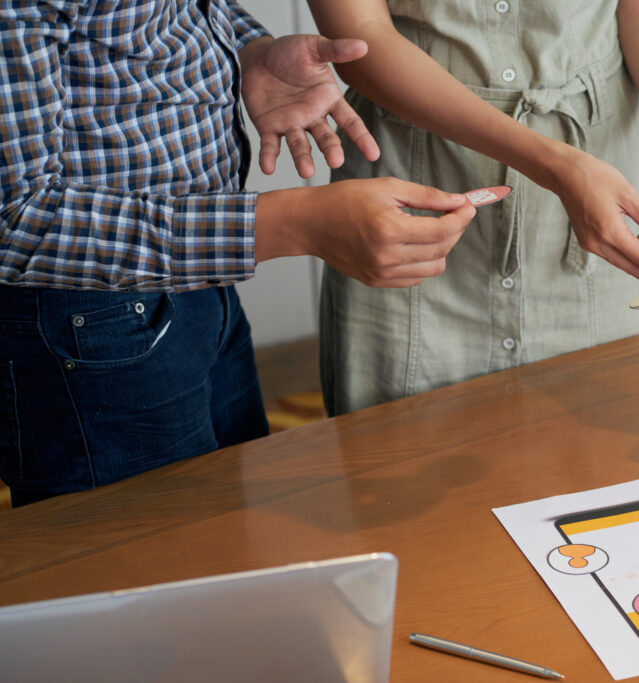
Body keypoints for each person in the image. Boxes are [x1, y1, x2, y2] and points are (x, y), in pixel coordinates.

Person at [0, 1, 475, 506]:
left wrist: (252, 50)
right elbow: (15, 217)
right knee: (152, 562)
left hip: (200, 280)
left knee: (233, 526)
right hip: (85, 328)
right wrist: (297, 225)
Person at [307, 0, 639, 415]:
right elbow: (359, 37)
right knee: (406, 474)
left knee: (629, 458)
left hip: (607, 186)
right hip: (418, 192)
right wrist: (557, 166)